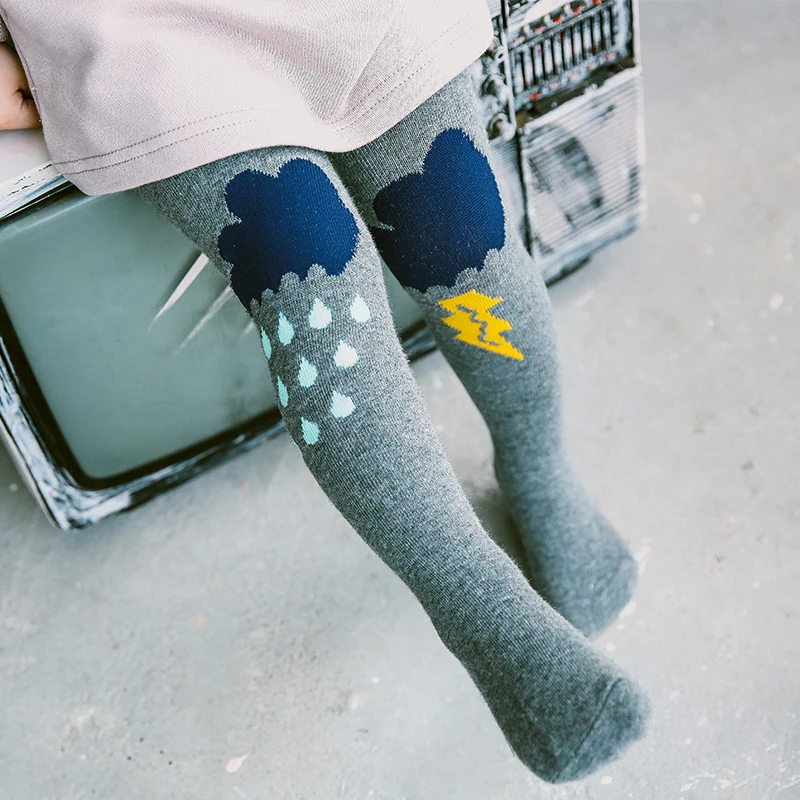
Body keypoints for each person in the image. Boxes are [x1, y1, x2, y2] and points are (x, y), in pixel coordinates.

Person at [0, 2, 650, 784]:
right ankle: (482, 614)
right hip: (152, 44)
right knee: (314, 295)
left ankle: (539, 470)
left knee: (460, 229)